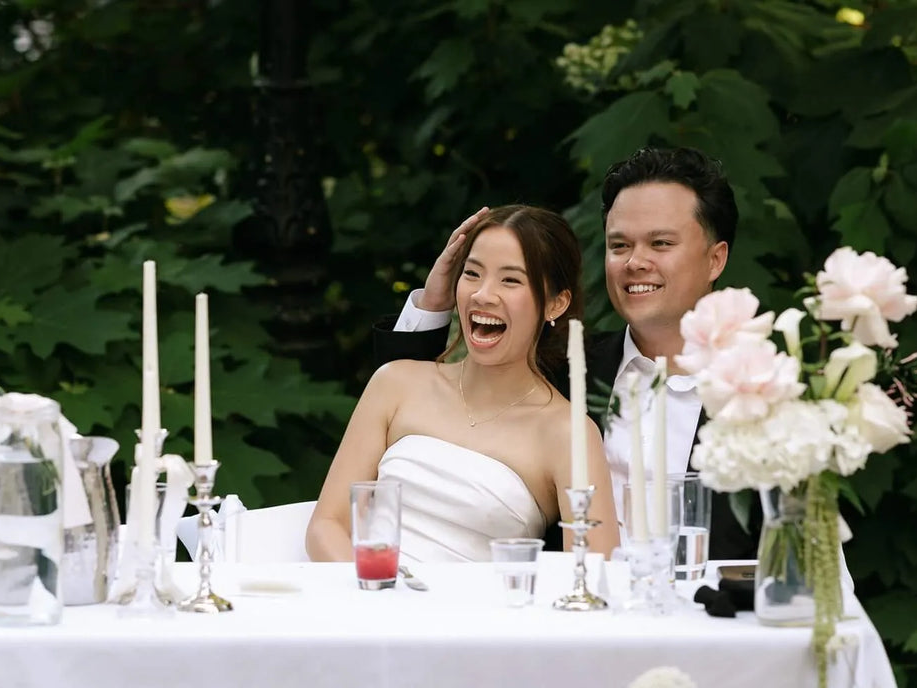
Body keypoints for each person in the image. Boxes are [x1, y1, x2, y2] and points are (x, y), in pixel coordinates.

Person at [375, 146, 757, 560]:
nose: (635, 262)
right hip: (567, 610)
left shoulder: (772, 399)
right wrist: (435, 303)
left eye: (660, 243)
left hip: (710, 618)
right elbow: (409, 406)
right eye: (619, 245)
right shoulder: (556, 367)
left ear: (715, 259)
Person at [306, 206, 619, 564]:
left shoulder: (568, 432)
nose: (483, 294)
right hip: (363, 594)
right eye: (472, 273)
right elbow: (326, 524)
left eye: (510, 280)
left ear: (555, 304)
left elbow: (594, 572)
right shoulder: (395, 383)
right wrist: (376, 599)